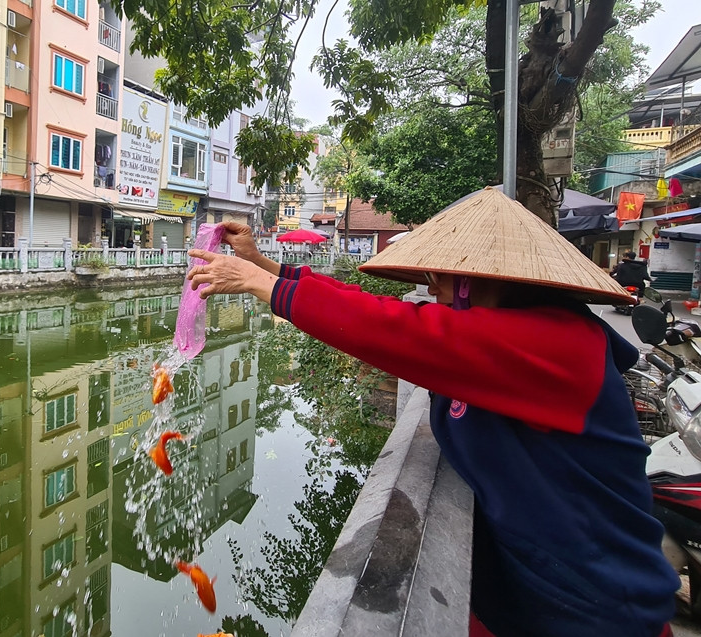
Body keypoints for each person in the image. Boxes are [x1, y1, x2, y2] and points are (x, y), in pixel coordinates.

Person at [186, 188, 679, 637]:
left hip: (596, 612)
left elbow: (394, 330)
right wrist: (263, 265)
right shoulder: (501, 334)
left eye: (446, 270)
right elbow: (370, 307)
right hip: (521, 597)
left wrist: (260, 285)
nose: (431, 281)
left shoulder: (558, 347)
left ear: (488, 277)